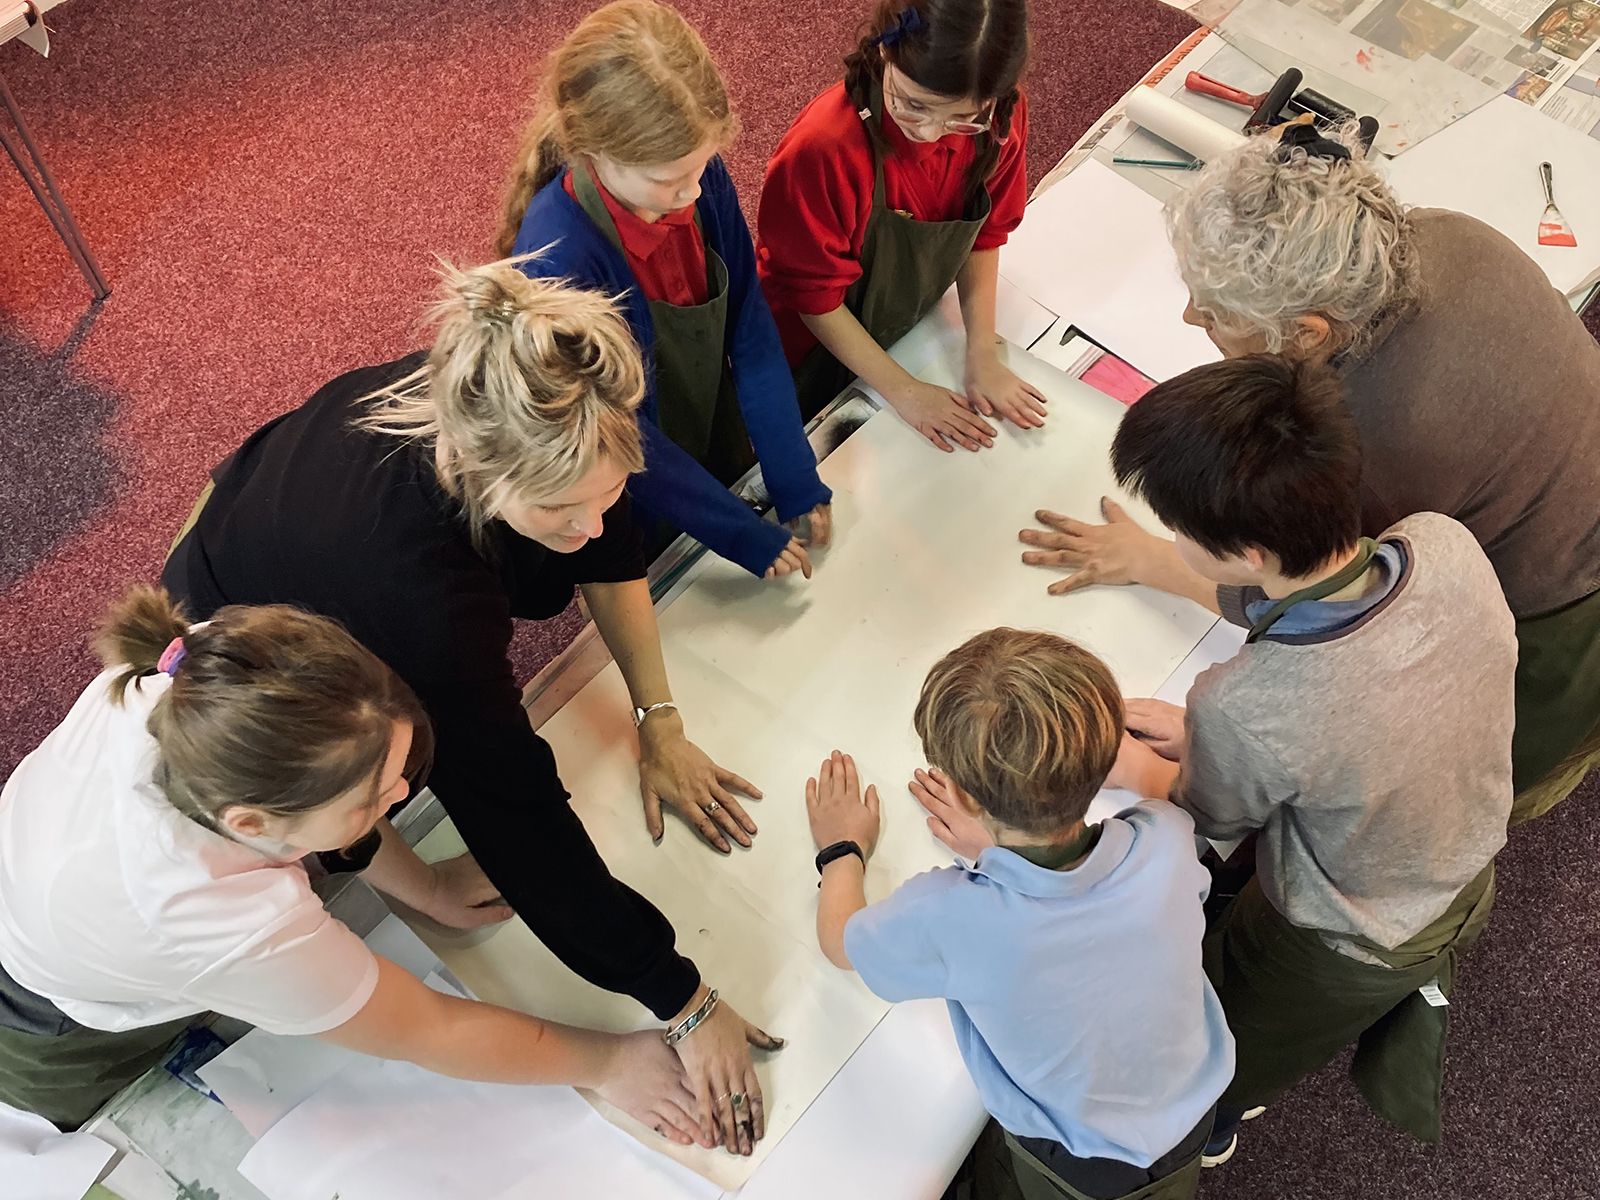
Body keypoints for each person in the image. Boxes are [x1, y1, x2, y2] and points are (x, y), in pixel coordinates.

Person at [163, 261, 775, 1156]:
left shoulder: (533, 392)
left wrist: (659, 719)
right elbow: (519, 817)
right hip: (233, 625)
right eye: (562, 510)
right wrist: (682, 999)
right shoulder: (418, 607)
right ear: (480, 474)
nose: (591, 526)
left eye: (606, 494)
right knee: (356, 776)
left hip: (290, 507)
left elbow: (609, 545)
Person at [1019, 122, 1600, 824]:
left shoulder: (1371, 441)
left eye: (1215, 313)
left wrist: (1148, 559)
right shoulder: (1447, 234)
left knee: (1467, 789)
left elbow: (1309, 591)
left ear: (1307, 334)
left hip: (1559, 613)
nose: (1189, 315)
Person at [0, 587, 708, 1141]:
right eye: (373, 798)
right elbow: (427, 1028)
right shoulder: (219, 923)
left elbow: (321, 799)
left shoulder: (210, 677)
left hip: (42, 869)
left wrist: (427, 886)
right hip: (52, 1021)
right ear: (251, 823)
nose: (401, 796)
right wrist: (609, 1062)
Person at [1103, 355, 1515, 1161]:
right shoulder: (1442, 542)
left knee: (1228, 1040)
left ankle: (1212, 1125)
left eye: (1179, 532)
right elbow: (1378, 710)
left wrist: (1139, 761)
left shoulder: (1246, 705)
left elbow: (1203, 818)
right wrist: (1239, 744)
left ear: (1251, 554)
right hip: (1458, 853)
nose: (1173, 542)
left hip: (1345, 933)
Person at [804, 629, 1234, 1200]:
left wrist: (841, 849)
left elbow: (841, 942)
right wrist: (1002, 846)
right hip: (1194, 1100)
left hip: (1080, 1157)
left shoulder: (948, 916)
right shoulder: (1166, 837)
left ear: (964, 797)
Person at [498, 0, 830, 579]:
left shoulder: (696, 179)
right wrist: (736, 530)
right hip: (628, 476)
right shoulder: (558, 257)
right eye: (668, 181)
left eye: (701, 168)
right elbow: (615, 435)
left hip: (704, 412)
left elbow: (749, 325)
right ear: (594, 152)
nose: (692, 193)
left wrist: (793, 473)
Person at [757, 0, 1042, 450]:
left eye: (962, 118)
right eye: (913, 105)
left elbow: (985, 235)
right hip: (809, 346)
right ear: (884, 50)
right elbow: (813, 297)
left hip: (904, 323)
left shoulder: (1000, 118)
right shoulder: (823, 149)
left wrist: (982, 352)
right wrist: (904, 391)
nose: (929, 132)